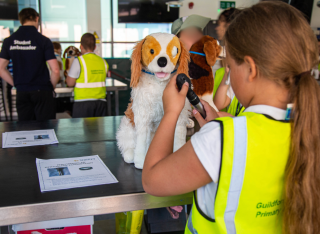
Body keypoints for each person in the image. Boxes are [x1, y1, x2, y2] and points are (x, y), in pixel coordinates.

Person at [142, 1, 320, 234]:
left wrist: (172, 112)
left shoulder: (221, 139)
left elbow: (152, 180)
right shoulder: (309, 125)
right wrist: (222, 127)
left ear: (250, 69)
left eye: (229, 64)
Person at [0, 8, 60, 121]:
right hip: (42, 91)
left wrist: (16, 83)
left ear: (21, 20)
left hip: (22, 91)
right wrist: (49, 88)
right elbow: (55, 70)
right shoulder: (43, 41)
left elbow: (1, 68)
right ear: (36, 18)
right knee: (46, 129)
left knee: (26, 129)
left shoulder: (9, 41)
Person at [66, 33, 109, 118]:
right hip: (101, 104)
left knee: (82, 131)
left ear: (81, 47)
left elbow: (70, 83)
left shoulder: (78, 61)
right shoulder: (103, 62)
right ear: (95, 47)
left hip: (83, 103)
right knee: (98, 131)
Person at [213, 8, 242, 115]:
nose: (217, 28)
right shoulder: (229, 65)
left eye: (220, 24)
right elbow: (219, 105)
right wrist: (227, 75)